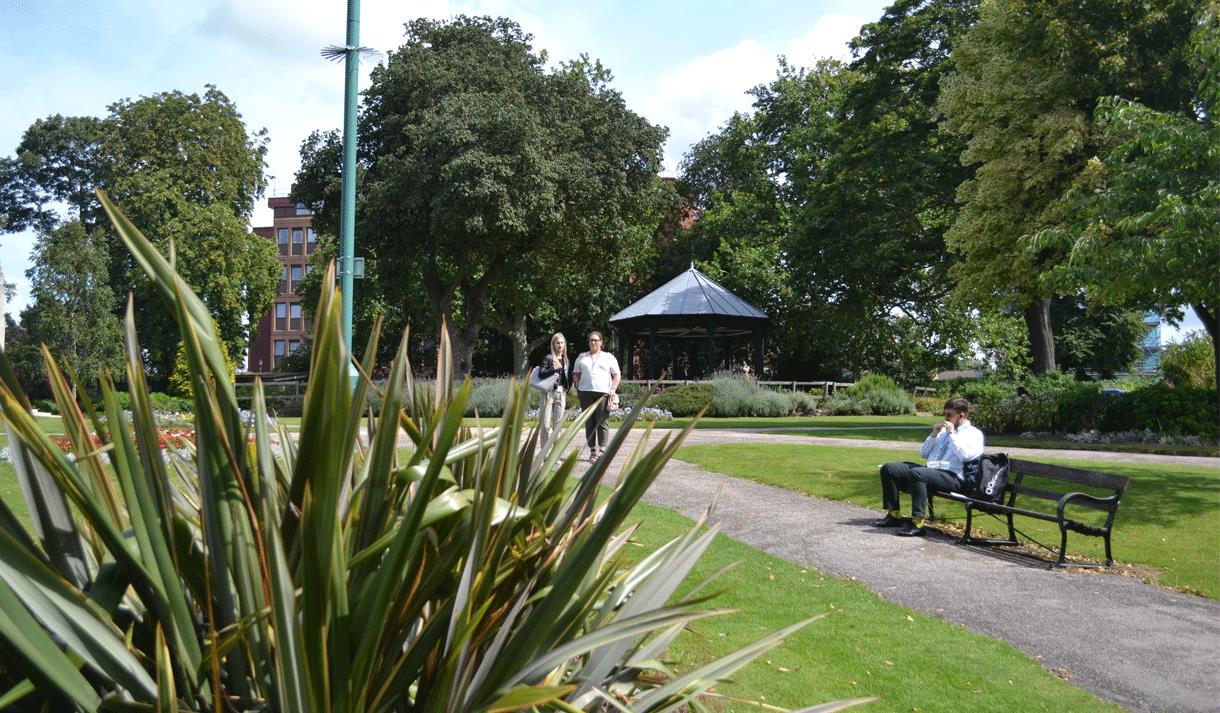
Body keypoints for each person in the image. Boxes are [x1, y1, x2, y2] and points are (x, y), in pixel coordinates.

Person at [873, 397, 984, 537]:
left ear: (961, 415)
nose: (946, 418)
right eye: (944, 414)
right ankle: (894, 515)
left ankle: (918, 523)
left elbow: (965, 456)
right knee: (889, 469)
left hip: (954, 477)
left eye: (949, 414)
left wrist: (952, 434)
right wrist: (934, 434)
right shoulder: (942, 431)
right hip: (931, 471)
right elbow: (924, 453)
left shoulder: (973, 434)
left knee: (918, 473)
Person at [571, 330, 620, 463]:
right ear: (589, 342)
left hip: (603, 393)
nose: (593, 342)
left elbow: (617, 375)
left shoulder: (608, 357)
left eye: (596, 340)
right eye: (591, 340)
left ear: (601, 342)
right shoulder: (582, 357)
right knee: (589, 423)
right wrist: (577, 385)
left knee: (602, 422)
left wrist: (613, 390)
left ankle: (602, 450)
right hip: (585, 393)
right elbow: (575, 373)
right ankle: (593, 451)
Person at [536, 332, 572, 457]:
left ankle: (555, 455)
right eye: (557, 343)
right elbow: (541, 374)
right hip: (548, 392)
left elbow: (568, 376)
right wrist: (554, 368)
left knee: (558, 426)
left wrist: (567, 387)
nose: (560, 345)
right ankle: (544, 454)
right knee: (545, 424)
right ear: (553, 344)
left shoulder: (566, 360)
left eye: (562, 343)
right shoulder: (548, 358)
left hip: (561, 392)